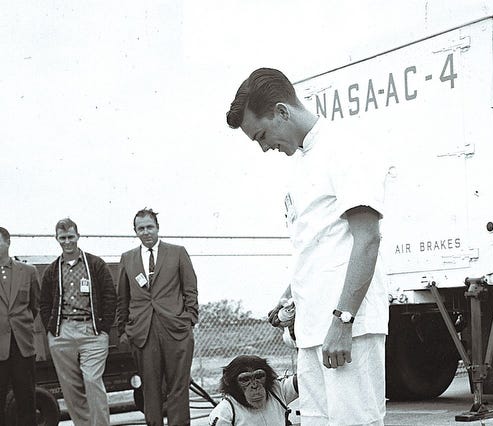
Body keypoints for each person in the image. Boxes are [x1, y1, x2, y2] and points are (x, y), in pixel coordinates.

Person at [226, 68, 388, 425]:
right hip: (313, 330)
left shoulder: (345, 150)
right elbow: (315, 248)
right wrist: (290, 297)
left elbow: (367, 239)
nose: (265, 147)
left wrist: (343, 322)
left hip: (348, 328)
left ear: (282, 111)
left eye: (262, 135)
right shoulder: (301, 164)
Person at [117, 208, 198, 426]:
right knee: (150, 388)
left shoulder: (178, 253)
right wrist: (124, 330)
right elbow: (122, 298)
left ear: (158, 228)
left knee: (178, 387)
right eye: (141, 228)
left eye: (149, 227)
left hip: (176, 329)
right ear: (135, 231)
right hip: (143, 331)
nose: (146, 232)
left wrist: (189, 318)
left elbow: (190, 289)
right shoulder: (127, 259)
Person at [40, 218, 117, 426]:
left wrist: (103, 328)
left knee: (92, 381)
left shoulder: (95, 264)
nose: (67, 242)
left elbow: (110, 295)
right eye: (62, 238)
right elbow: (44, 303)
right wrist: (52, 331)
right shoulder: (52, 270)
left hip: (91, 332)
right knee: (70, 388)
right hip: (62, 333)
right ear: (56, 239)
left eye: (70, 237)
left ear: (78, 236)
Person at [0, 227, 40, 426]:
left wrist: (19, 326)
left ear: (8, 242)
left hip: (22, 348)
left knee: (26, 400)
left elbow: (35, 307)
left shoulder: (28, 271)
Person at [208, 355, 298, 426]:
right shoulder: (224, 414)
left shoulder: (277, 390)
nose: (255, 386)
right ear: (228, 380)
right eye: (245, 380)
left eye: (259, 377)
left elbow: (306, 378)